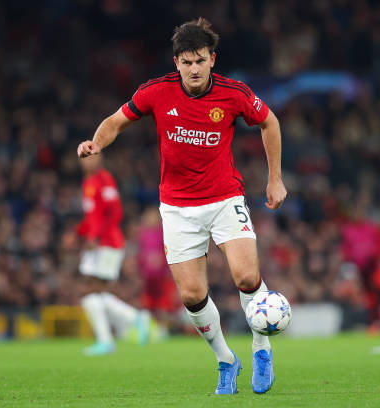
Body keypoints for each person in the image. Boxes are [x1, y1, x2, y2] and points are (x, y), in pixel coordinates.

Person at [77, 18, 287, 394]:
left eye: (201, 61)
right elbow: (115, 121)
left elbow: (269, 122)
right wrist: (96, 143)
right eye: (187, 62)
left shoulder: (233, 93)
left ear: (212, 60)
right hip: (176, 208)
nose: (194, 68)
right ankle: (226, 360)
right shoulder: (156, 92)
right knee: (191, 296)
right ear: (176, 62)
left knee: (245, 277)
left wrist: (274, 179)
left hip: (225, 199)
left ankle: (261, 346)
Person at [76, 154, 150, 355]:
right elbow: (92, 216)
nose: (87, 161)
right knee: (94, 293)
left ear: (99, 158)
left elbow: (115, 212)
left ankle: (107, 340)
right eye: (84, 157)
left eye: (91, 157)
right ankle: (134, 319)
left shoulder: (104, 179)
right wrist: (78, 233)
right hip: (97, 243)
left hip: (108, 243)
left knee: (91, 292)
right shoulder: (88, 182)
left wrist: (95, 236)